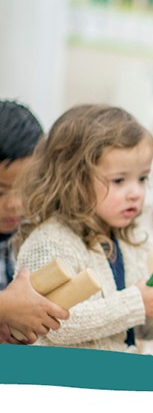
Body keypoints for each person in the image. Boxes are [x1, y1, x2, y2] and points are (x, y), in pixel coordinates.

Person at [14, 104, 153, 352]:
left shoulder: (127, 239)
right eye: (119, 181)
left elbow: (131, 326)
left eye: (142, 178)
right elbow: (54, 323)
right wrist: (137, 302)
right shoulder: (50, 241)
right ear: (75, 181)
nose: (135, 192)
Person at [0, 100, 69, 344]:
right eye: (0, 192)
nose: (15, 204)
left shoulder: (36, 230)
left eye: (27, 188)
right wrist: (5, 307)